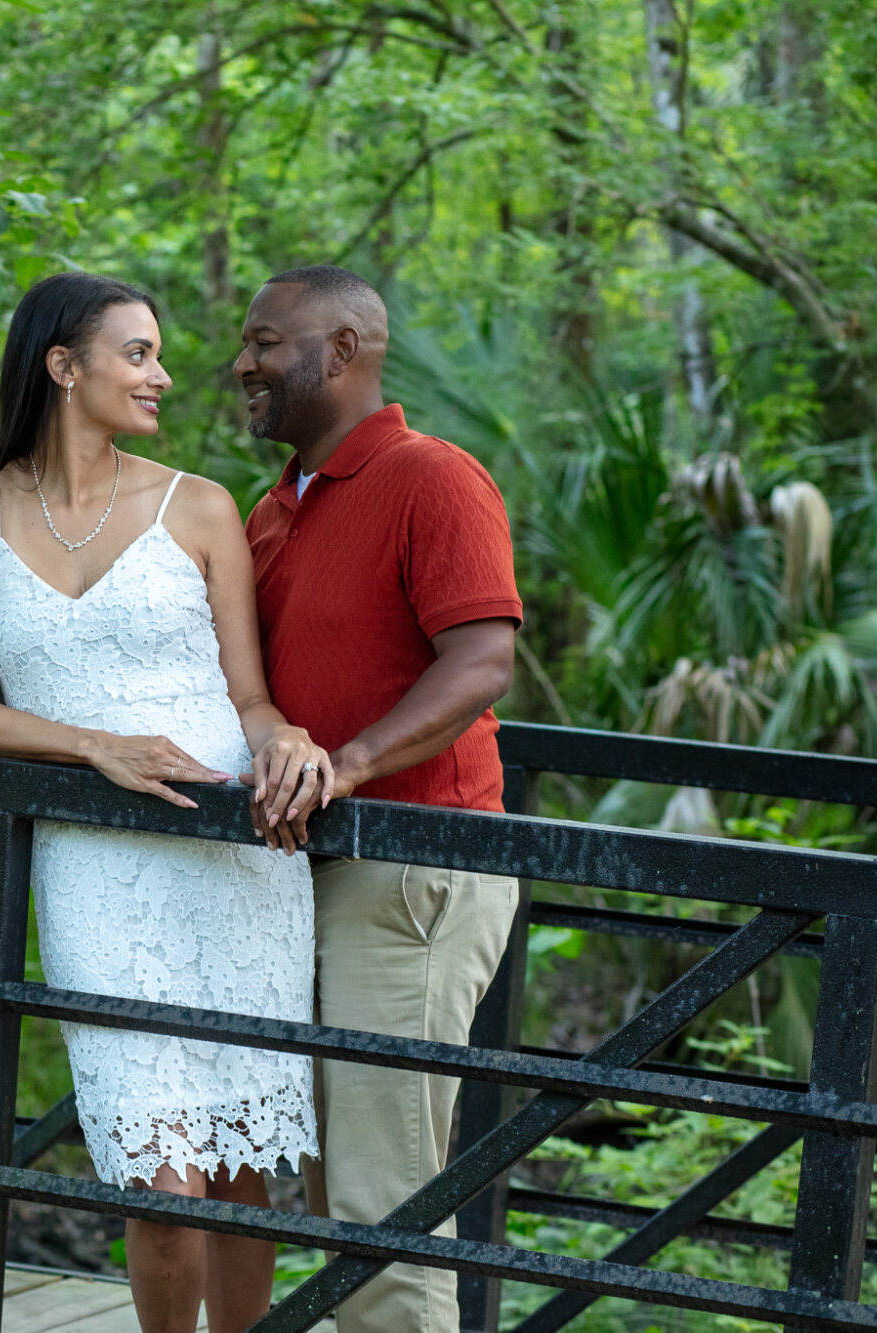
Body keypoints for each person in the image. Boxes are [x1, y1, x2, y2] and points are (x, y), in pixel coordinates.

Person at [0, 272, 332, 1333]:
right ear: (64, 366)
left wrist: (280, 739)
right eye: (136, 353)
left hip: (235, 859)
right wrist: (90, 745)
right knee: (157, 1176)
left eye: (155, 354)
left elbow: (246, 695)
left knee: (241, 1173)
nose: (160, 375)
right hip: (96, 870)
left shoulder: (196, 505)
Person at [232, 264, 523, 1333]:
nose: (242, 363)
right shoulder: (273, 510)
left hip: (412, 873)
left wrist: (342, 767)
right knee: (324, 1195)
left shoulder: (427, 475)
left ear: (343, 348)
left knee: (380, 1214)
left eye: (265, 341)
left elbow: (481, 662)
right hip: (303, 879)